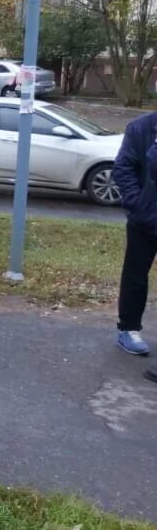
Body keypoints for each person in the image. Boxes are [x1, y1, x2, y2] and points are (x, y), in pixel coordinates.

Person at [108, 110, 157, 380]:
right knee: (136, 274)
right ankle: (128, 328)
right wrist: (138, 205)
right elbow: (123, 167)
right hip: (145, 219)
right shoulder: (141, 128)